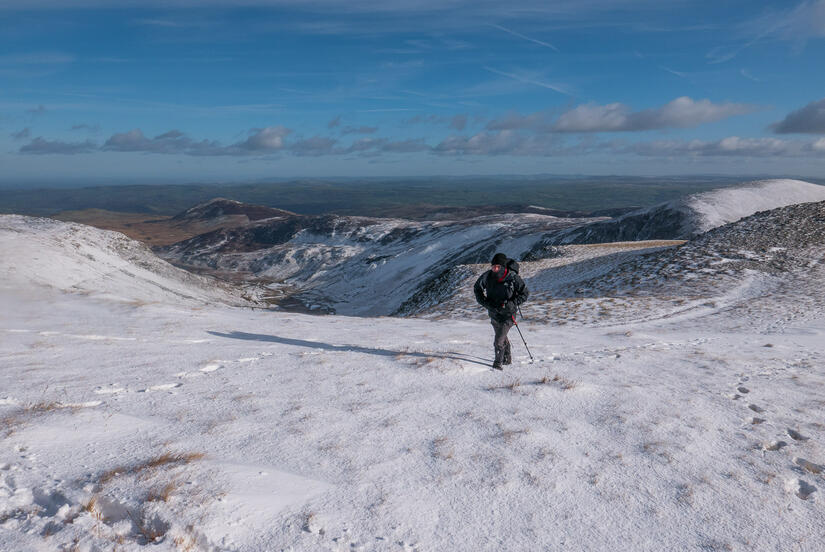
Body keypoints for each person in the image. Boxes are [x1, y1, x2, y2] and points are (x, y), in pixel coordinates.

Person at [474, 253, 529, 370]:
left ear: (503, 267)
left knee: (499, 340)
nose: (495, 269)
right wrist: (485, 303)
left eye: (498, 267)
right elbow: (477, 288)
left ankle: (497, 364)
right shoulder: (487, 276)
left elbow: (525, 293)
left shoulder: (513, 278)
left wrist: (512, 303)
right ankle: (507, 359)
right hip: (494, 313)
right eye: (493, 267)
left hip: (509, 315)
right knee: (501, 336)